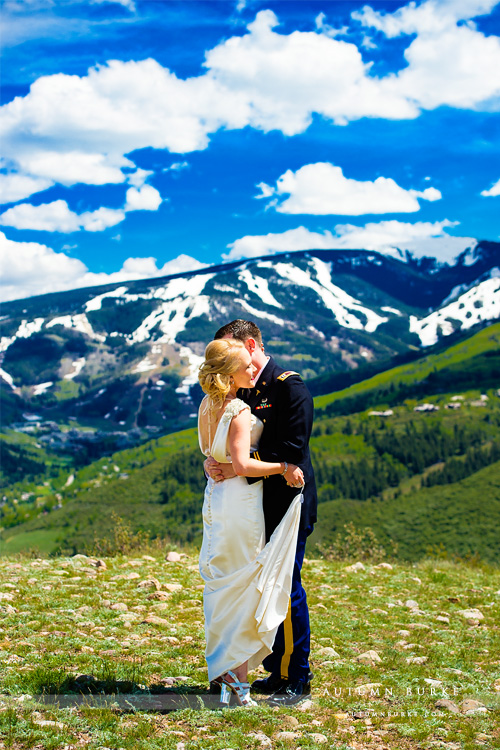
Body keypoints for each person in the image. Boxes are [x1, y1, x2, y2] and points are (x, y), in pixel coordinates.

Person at [205, 320, 317, 706]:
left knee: (284, 586)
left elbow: (292, 448)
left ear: (249, 345)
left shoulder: (289, 387)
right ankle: (271, 668)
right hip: (251, 506)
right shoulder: (240, 386)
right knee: (256, 586)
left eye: (232, 350)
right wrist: (215, 462)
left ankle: (295, 675)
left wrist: (235, 466)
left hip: (286, 501)